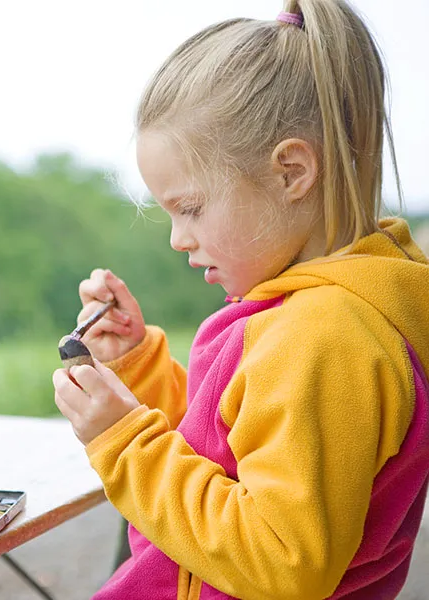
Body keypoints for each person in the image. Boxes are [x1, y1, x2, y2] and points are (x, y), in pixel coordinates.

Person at [52, 2, 429, 598]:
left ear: (291, 172)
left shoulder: (324, 336)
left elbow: (283, 561)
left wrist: (124, 442)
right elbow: (228, 452)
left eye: (191, 207)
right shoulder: (332, 311)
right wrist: (138, 368)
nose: (178, 238)